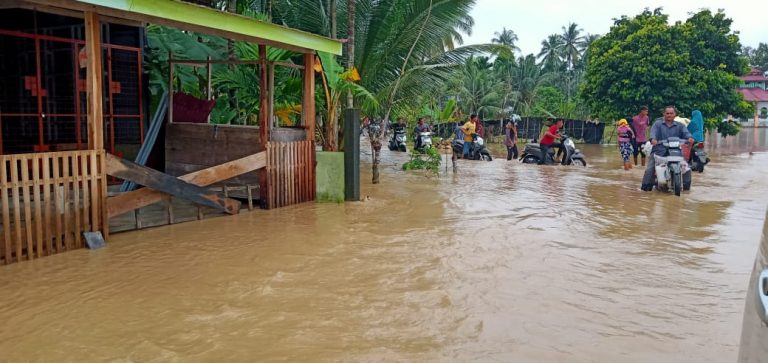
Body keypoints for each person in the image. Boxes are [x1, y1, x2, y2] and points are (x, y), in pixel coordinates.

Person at [640, 106, 695, 191]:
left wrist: (690, 138)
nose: (669, 115)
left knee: (686, 168)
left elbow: (686, 134)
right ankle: (645, 189)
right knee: (649, 169)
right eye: (667, 113)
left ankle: (687, 189)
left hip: (676, 152)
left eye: (671, 113)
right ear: (664, 114)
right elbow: (653, 133)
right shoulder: (657, 124)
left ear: (675, 114)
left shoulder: (680, 126)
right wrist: (653, 139)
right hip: (659, 152)